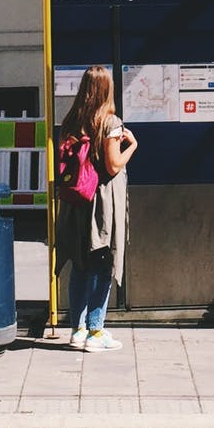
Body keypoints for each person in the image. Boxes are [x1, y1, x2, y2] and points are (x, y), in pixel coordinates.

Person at [57, 65, 137, 352]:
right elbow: (113, 164)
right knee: (104, 263)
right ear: (107, 89)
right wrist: (133, 146)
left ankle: (77, 330)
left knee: (80, 264)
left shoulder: (71, 120)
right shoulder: (110, 122)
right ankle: (96, 331)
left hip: (75, 203)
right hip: (102, 204)